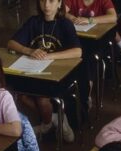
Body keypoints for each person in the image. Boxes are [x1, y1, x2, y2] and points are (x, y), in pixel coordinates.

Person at [8, 0, 82, 140]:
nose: (46, 5)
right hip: (36, 72)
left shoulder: (65, 24)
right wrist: (29, 51)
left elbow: (77, 51)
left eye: (51, 1)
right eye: (43, 1)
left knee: (42, 98)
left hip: (58, 75)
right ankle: (55, 119)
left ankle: (46, 124)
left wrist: (49, 56)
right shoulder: (34, 22)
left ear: (59, 3)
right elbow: (11, 43)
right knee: (21, 95)